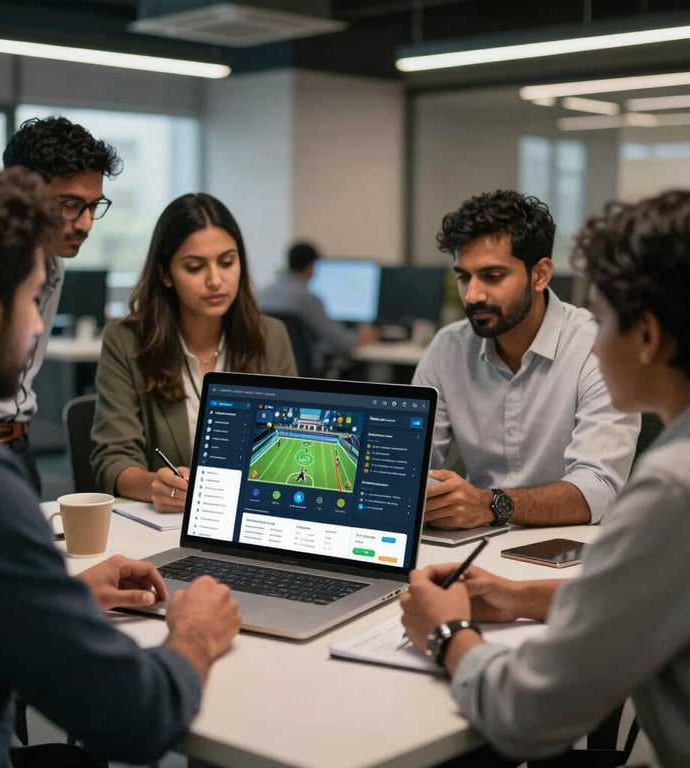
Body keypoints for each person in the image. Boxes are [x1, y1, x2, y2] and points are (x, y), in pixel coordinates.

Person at [0, 159, 241, 767]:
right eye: (31, 298)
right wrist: (195, 634)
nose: (38, 323)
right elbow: (136, 717)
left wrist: (55, 598)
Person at [401, 189, 690, 767]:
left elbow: (526, 718)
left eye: (605, 320)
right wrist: (516, 596)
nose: (594, 342)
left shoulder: (670, 491)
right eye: (464, 276)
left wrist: (447, 633)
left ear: (648, 337)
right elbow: (636, 598)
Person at [412, 190, 639, 529]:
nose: (472, 296)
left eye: (493, 276)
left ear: (540, 274)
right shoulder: (448, 348)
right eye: (463, 277)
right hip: (474, 541)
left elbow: (598, 489)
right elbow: (409, 465)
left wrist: (491, 504)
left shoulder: (596, 347)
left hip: (567, 547)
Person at [91, 193, 297, 512]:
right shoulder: (126, 341)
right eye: (195, 267)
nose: (215, 280)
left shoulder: (270, 336)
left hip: (252, 515)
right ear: (166, 274)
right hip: (165, 524)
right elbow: (113, 460)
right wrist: (156, 486)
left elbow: (291, 443)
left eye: (227, 262)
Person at [0, 116, 121, 493]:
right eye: (70, 205)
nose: (85, 224)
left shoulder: (53, 263)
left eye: (93, 206)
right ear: (21, 194)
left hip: (17, 442)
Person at [257, 241, 378, 373]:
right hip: (303, 372)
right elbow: (341, 342)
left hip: (273, 369)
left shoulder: (263, 294)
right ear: (311, 267)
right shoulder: (306, 299)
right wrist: (361, 338)